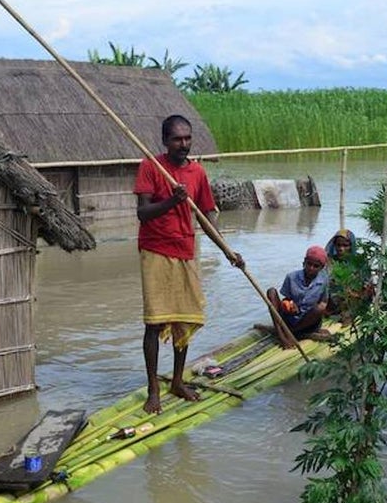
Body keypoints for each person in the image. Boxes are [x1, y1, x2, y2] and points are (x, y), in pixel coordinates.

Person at [135, 115, 243, 414]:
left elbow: (206, 217)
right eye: (177, 139)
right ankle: (153, 389)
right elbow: (143, 213)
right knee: (155, 323)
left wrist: (228, 250)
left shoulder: (197, 172)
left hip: (185, 250)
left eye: (187, 138)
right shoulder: (151, 167)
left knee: (184, 318)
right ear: (165, 141)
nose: (183, 144)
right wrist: (172, 201)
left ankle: (178, 381)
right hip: (155, 250)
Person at [266, 245, 330, 349]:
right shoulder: (291, 277)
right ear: (304, 262)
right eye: (309, 264)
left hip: (308, 322)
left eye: (315, 266)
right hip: (290, 317)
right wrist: (290, 304)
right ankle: (282, 336)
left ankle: (291, 332)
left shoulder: (323, 280)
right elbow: (286, 299)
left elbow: (323, 303)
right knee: (271, 292)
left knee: (320, 308)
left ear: (321, 267)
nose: (311, 268)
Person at [324, 228, 373, 318]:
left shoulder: (360, 263)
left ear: (352, 246)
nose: (341, 249)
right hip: (332, 302)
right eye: (338, 245)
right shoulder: (329, 262)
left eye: (345, 245)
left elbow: (367, 285)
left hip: (355, 300)